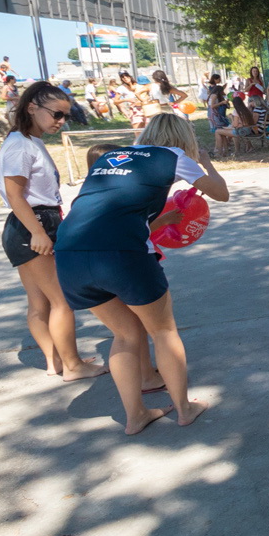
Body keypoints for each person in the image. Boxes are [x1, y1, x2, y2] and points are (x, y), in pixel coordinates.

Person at [54, 112, 228, 434]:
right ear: (182, 138)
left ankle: (135, 416)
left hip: (68, 254)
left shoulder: (110, 157)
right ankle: (184, 409)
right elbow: (221, 192)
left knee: (125, 334)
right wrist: (205, 162)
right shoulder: (172, 155)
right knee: (163, 331)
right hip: (122, 253)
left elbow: (108, 210)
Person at [0, 82, 107, 383]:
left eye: (66, 116)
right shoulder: (21, 145)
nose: (61, 121)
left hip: (29, 224)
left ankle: (55, 360)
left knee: (40, 302)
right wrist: (38, 232)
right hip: (33, 224)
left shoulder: (28, 141)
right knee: (61, 300)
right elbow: (15, 195)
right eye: (56, 114)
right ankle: (72, 365)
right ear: (32, 107)